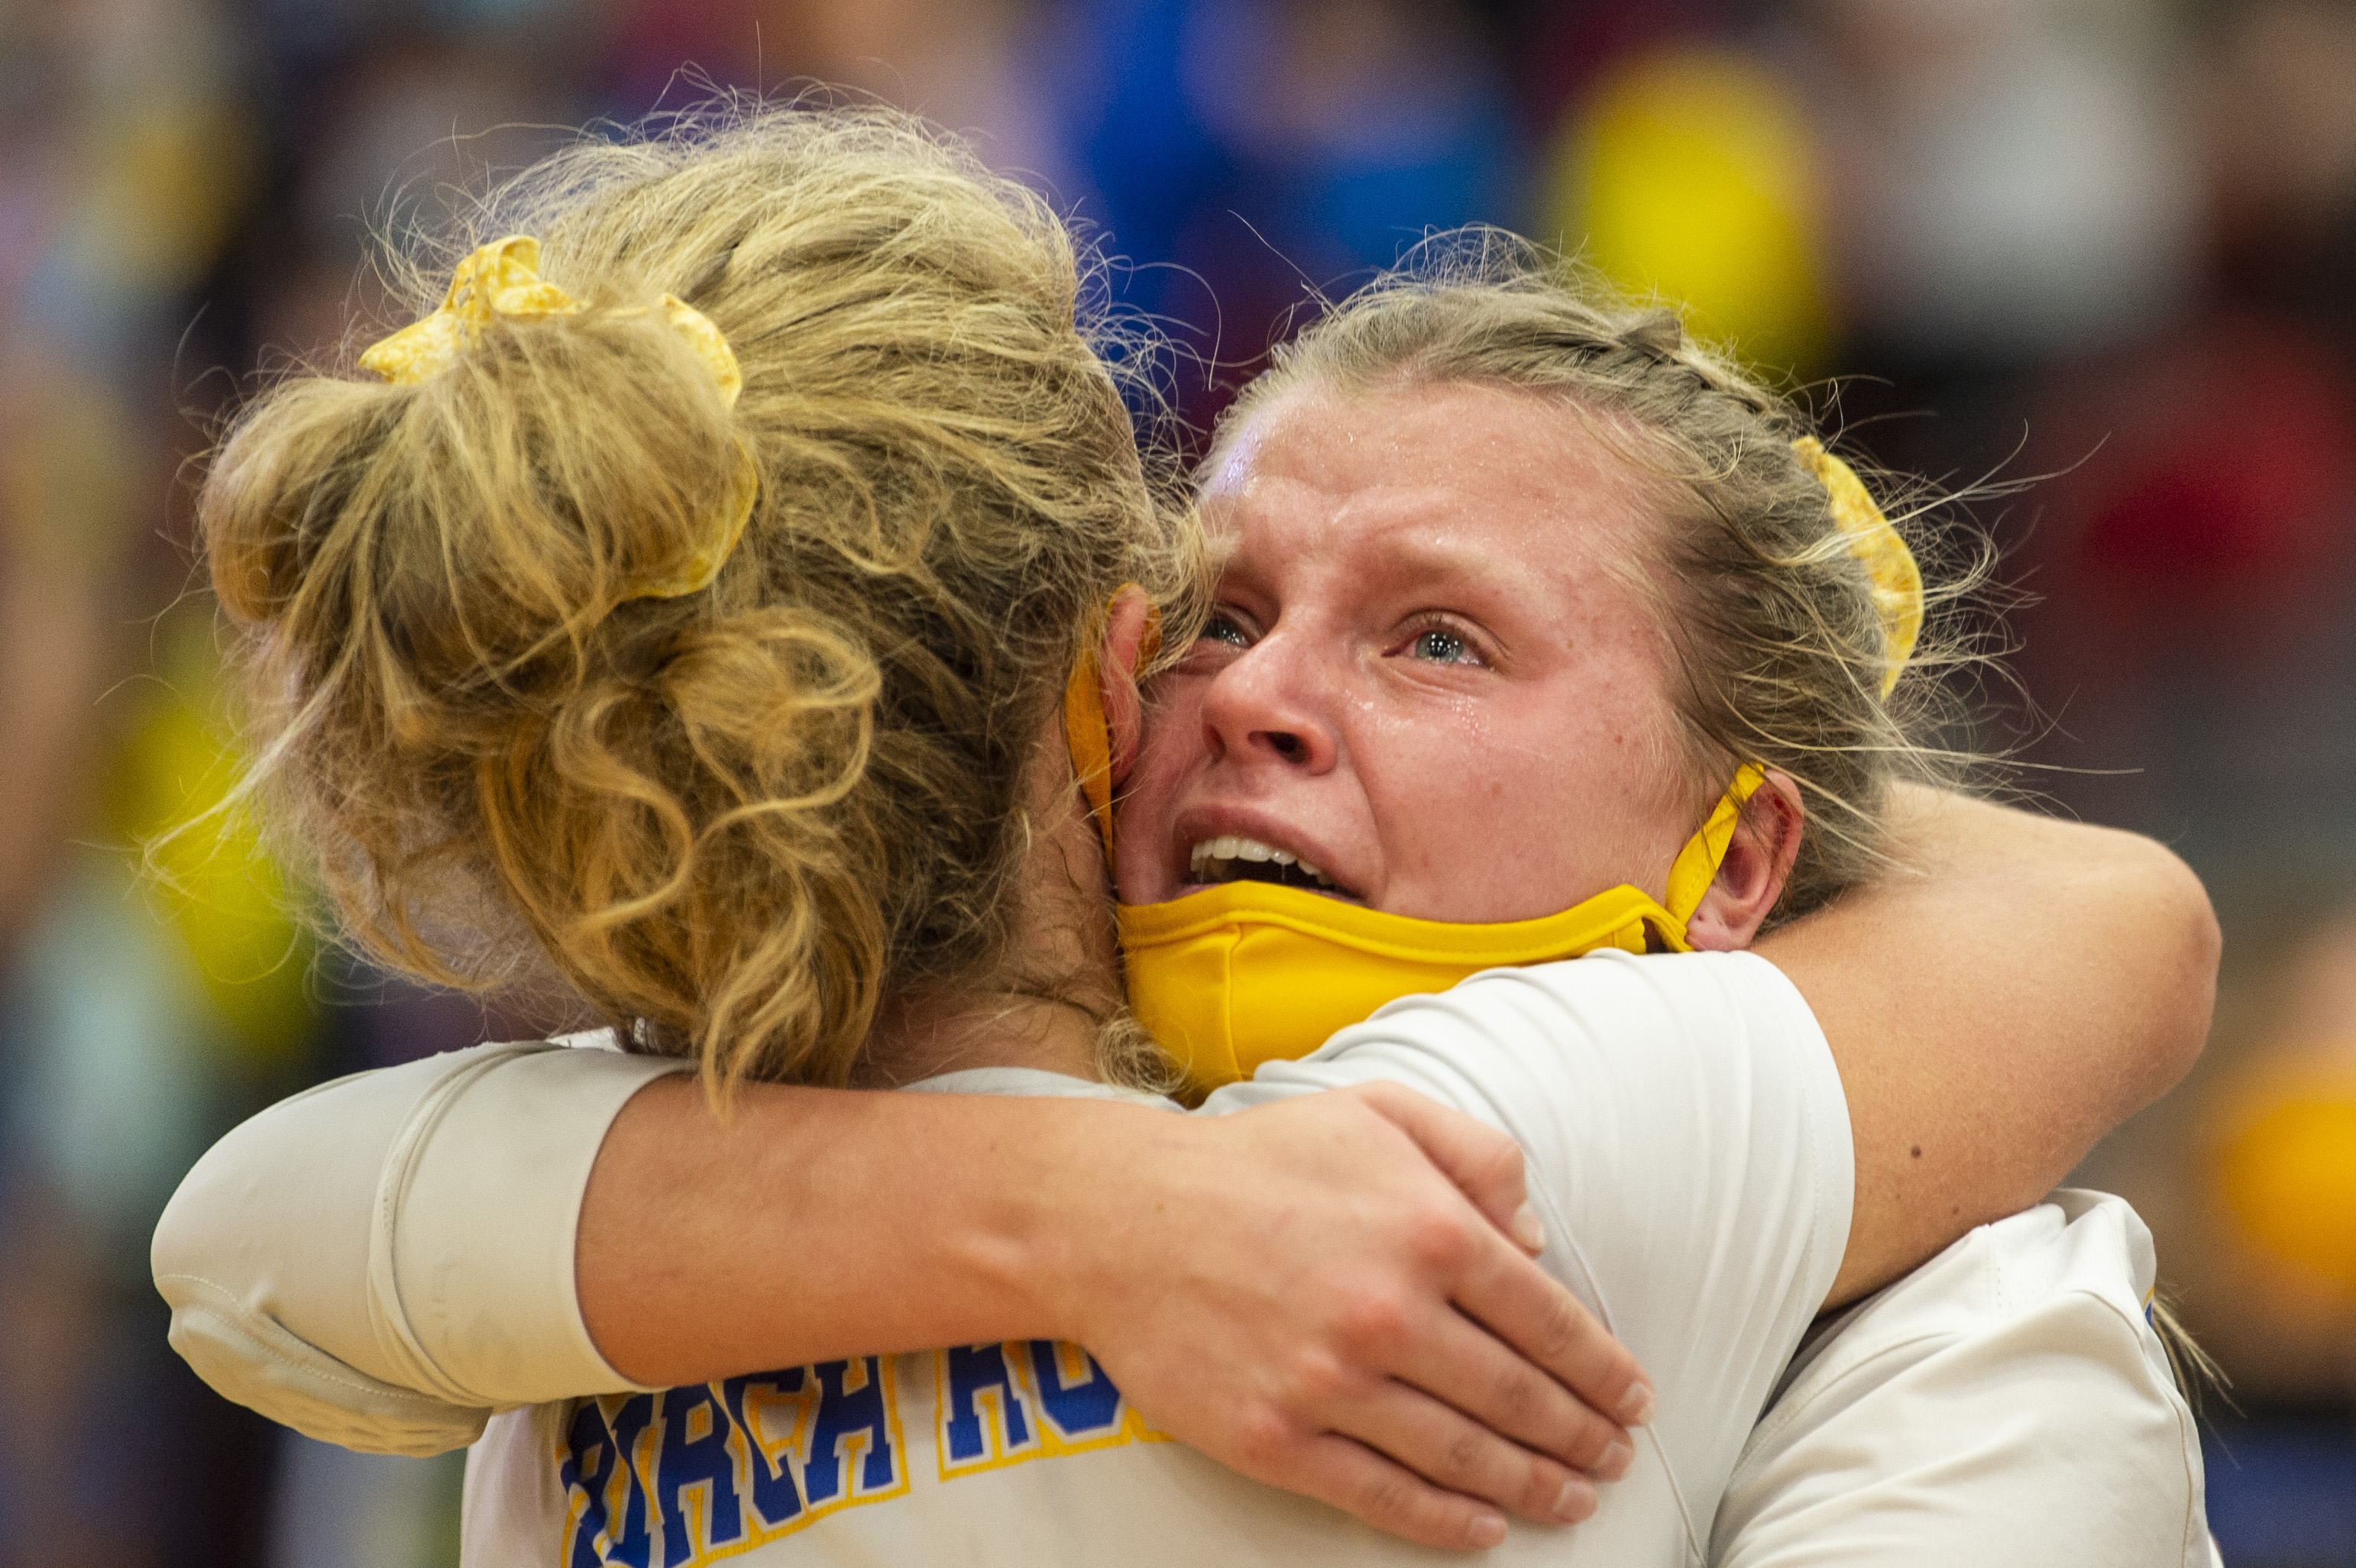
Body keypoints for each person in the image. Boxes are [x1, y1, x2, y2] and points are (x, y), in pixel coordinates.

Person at [155, 107, 2218, 1563]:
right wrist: (1115, 1214)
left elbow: (253, 1244)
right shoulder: (1432, 1158)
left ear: (1739, 850)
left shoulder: (575, 1220)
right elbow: (2100, 913)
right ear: (1095, 675)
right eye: (1212, 616)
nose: (1250, 695)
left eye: (1437, 637)